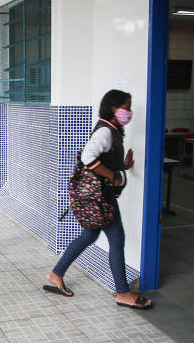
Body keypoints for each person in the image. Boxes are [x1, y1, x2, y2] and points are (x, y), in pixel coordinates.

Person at [45, 89, 153, 309]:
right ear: (115, 108)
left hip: (99, 198)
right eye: (127, 107)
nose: (129, 112)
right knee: (117, 239)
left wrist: (121, 165)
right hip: (101, 199)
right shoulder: (105, 131)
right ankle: (123, 292)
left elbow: (102, 159)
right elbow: (88, 157)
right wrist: (113, 176)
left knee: (89, 235)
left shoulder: (111, 129)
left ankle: (56, 274)